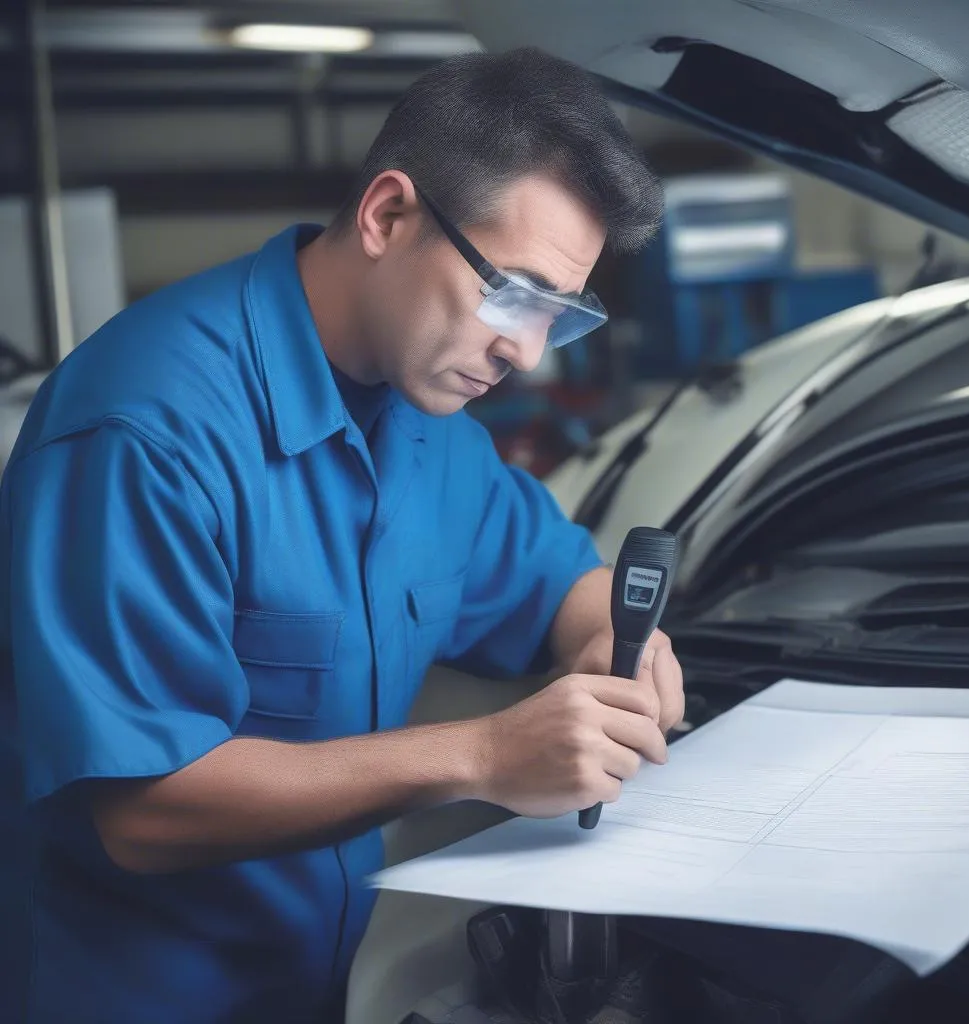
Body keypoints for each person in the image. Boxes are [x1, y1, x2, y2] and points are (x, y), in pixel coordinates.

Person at [0, 46, 683, 1023]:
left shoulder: (430, 424)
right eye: (513, 294)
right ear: (387, 215)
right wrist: (484, 757)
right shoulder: (142, 432)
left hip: (338, 985)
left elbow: (554, 581)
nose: (525, 352)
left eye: (558, 314)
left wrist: (620, 647)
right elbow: (144, 809)